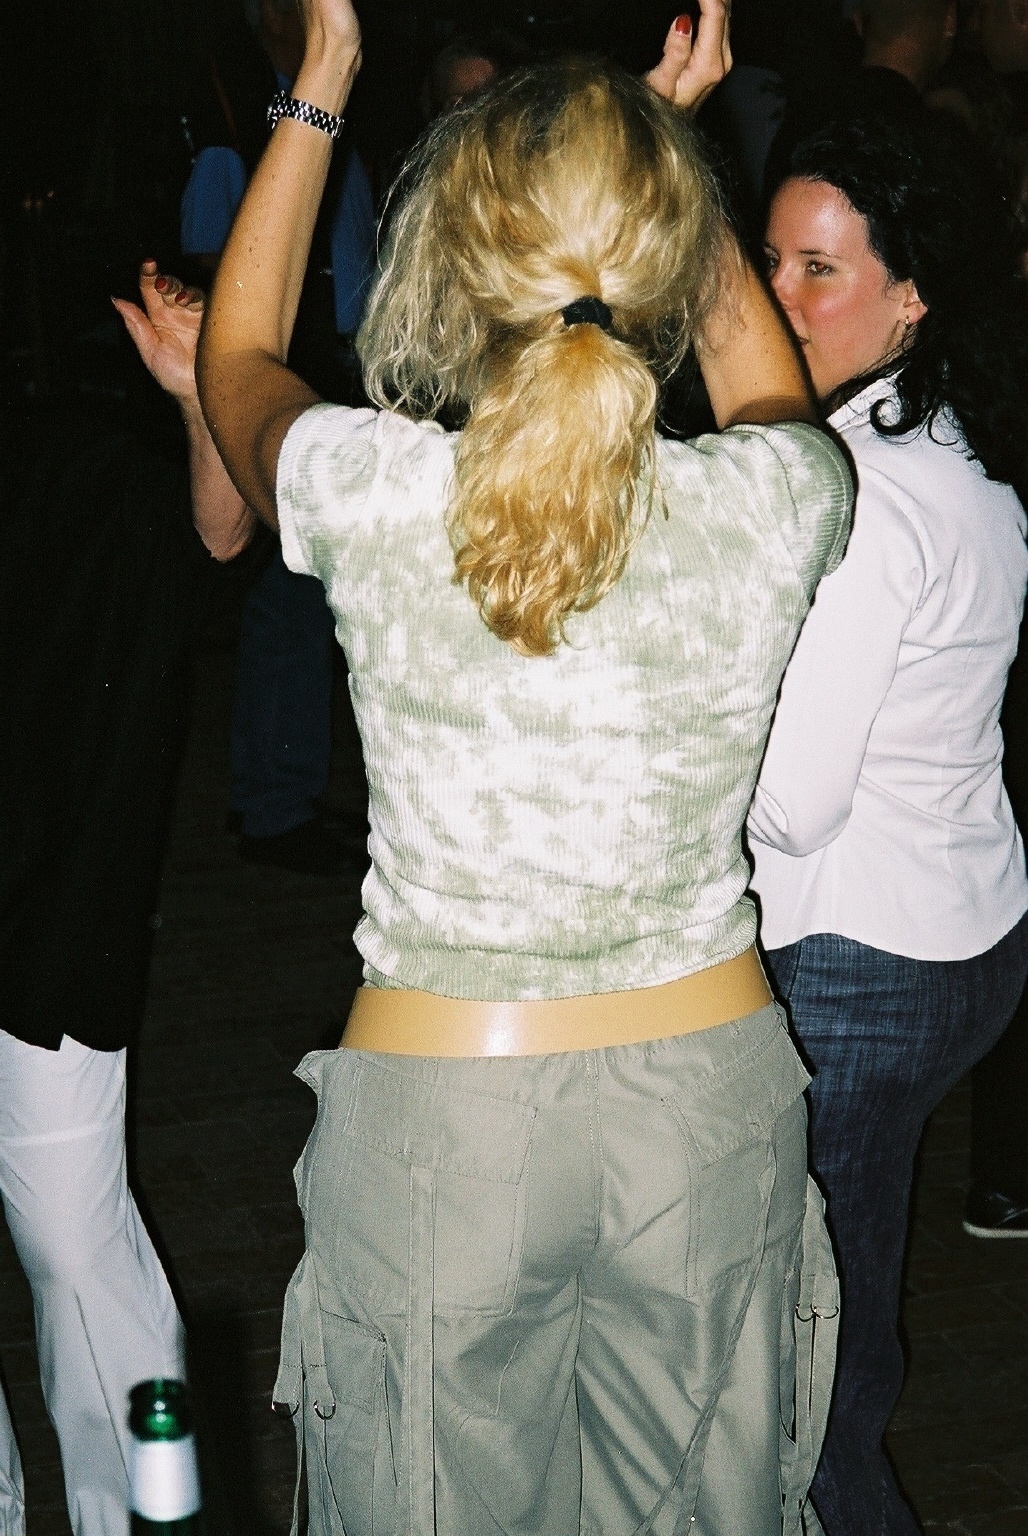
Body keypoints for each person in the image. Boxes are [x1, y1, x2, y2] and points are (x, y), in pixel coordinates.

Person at [194, 0, 854, 1528]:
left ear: (455, 254)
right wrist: (670, 150)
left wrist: (323, 74)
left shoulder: (373, 491)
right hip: (706, 1105)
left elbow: (236, 356)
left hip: (450, 1116)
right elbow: (768, 396)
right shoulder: (774, 499)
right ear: (671, 247)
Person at [750, 111, 1028, 1534]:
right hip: (959, 934)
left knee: (809, 1391)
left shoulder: (856, 492)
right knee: (841, 1319)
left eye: (821, 270)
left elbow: (792, 807)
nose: (781, 298)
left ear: (910, 293)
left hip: (857, 961)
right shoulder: (951, 442)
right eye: (771, 262)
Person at [0, 265, 245, 1536]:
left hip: (40, 937)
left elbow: (214, 539)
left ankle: (144, 1523)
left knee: (79, 1251)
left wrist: (200, 403)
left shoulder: (60, 460)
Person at [181, 0, 377, 878]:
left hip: (340, 374)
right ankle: (272, 809)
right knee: (283, 602)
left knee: (309, 607)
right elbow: (205, 268)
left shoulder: (340, 120)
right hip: (272, 386)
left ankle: (284, 795)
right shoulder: (234, 132)